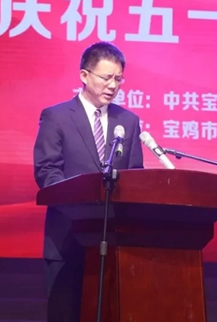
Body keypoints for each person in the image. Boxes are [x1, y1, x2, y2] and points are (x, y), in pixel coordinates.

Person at [33, 41, 144, 321]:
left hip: (112, 241)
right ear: (84, 75)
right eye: (106, 77)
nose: (113, 85)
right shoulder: (57, 117)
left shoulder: (128, 121)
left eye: (118, 79)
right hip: (67, 238)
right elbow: (47, 171)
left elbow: (135, 175)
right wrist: (79, 209)